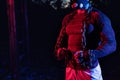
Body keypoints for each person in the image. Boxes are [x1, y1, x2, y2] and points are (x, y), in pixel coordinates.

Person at [54, 0, 116, 80]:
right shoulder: (68, 18)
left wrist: (92, 54)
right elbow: (61, 41)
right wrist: (60, 51)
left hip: (88, 70)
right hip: (70, 69)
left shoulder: (97, 16)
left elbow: (111, 44)